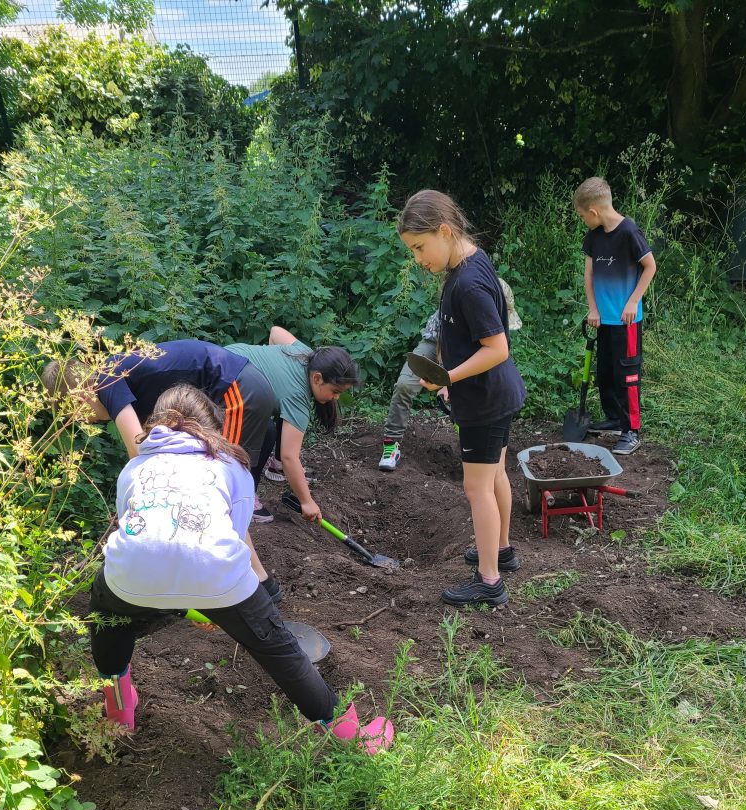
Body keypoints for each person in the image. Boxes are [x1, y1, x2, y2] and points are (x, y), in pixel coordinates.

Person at [88, 385, 393, 754]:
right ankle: (352, 736)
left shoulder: (135, 466)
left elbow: (142, 535)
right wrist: (211, 600)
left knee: (108, 619)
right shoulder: (231, 466)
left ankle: (119, 711)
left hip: (129, 579)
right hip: (219, 576)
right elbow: (231, 536)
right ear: (212, 427)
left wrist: (184, 603)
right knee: (281, 651)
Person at [43, 338, 283, 598]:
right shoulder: (126, 380)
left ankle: (257, 583)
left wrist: (138, 502)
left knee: (219, 485)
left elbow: (139, 452)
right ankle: (246, 579)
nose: (84, 420)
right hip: (239, 386)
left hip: (237, 389)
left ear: (80, 395)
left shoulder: (106, 381)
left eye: (77, 413)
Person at [398, 189, 526, 608]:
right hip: (494, 393)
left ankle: (488, 582)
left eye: (420, 247)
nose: (418, 258)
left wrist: (447, 376)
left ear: (444, 230)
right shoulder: (467, 262)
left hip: (486, 400)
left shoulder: (468, 283)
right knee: (495, 476)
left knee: (477, 488)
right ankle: (501, 551)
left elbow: (497, 347)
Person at [378, 279, 523, 472]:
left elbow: (495, 352)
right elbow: (443, 344)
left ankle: (475, 449)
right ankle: (391, 444)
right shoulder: (463, 303)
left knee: (475, 394)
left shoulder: (493, 319)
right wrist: (445, 380)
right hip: (436, 342)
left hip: (469, 351)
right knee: (405, 384)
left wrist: (452, 381)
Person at [224, 328, 359, 522]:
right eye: (335, 391)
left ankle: (275, 466)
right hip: (224, 381)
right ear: (317, 378)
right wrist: (306, 501)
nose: (336, 398)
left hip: (228, 356)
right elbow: (290, 456)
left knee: (269, 416)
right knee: (265, 432)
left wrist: (272, 371)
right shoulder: (297, 396)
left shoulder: (305, 354)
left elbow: (275, 332)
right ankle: (245, 498)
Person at [573, 176, 657, 456]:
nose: (583, 220)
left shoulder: (629, 232)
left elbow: (650, 267)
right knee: (606, 372)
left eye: (583, 215)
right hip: (603, 319)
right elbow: (589, 274)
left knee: (627, 375)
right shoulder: (593, 237)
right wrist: (593, 308)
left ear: (594, 212)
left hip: (626, 320)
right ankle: (613, 418)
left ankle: (631, 430)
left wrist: (633, 301)